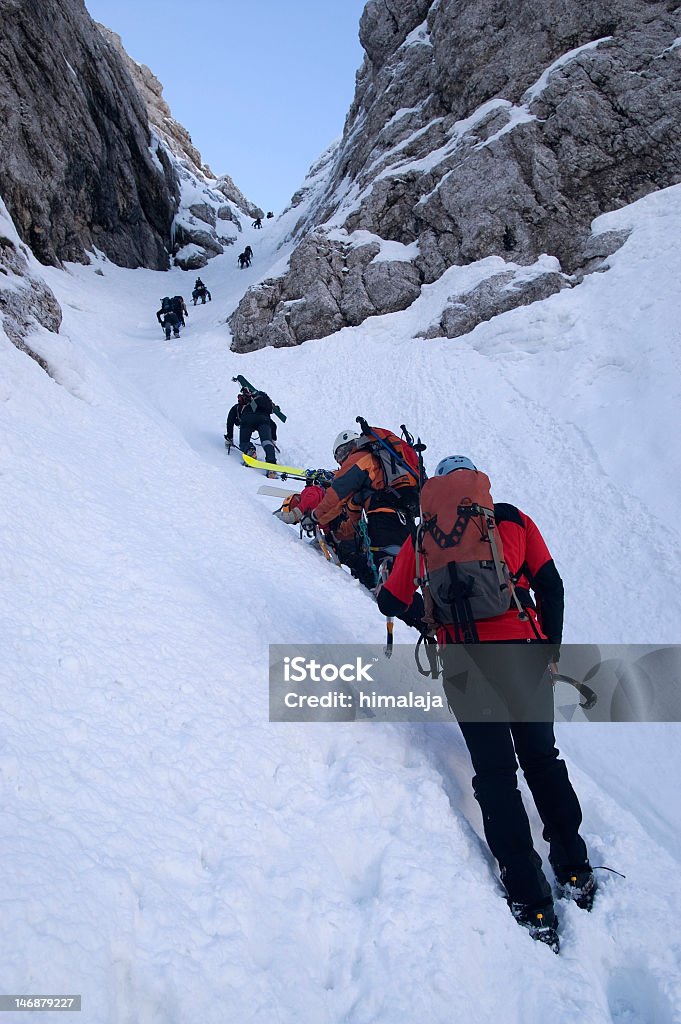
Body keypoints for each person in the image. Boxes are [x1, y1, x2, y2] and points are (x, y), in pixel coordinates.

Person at [376, 455, 595, 951]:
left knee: (495, 774)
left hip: (463, 662)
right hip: (522, 652)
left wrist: (429, 621)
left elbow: (390, 599)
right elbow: (551, 584)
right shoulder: (511, 519)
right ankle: (575, 868)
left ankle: (529, 898)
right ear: (477, 484)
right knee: (542, 758)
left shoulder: (423, 533)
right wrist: (550, 650)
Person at [302, 428, 425, 629]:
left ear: (351, 446)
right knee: (402, 577)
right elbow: (350, 511)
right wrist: (336, 535)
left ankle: (426, 624)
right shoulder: (377, 471)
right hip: (406, 523)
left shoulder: (361, 458)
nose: (342, 460)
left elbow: (337, 493)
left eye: (342, 454)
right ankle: (427, 622)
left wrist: (314, 516)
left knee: (393, 581)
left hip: (385, 521)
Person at [224, 387, 278, 467]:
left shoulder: (238, 407)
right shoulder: (262, 406)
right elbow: (273, 425)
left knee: (244, 442)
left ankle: (251, 451)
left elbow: (230, 421)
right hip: (264, 419)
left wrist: (229, 437)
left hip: (247, 420)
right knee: (266, 442)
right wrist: (272, 439)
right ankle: (272, 464)